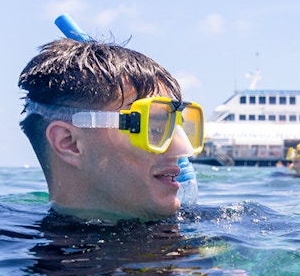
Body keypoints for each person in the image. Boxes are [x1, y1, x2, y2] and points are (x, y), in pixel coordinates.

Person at [18, 38, 203, 222]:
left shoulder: (215, 230)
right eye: (154, 128)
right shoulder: (1, 239)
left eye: (177, 126)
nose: (182, 148)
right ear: (69, 143)